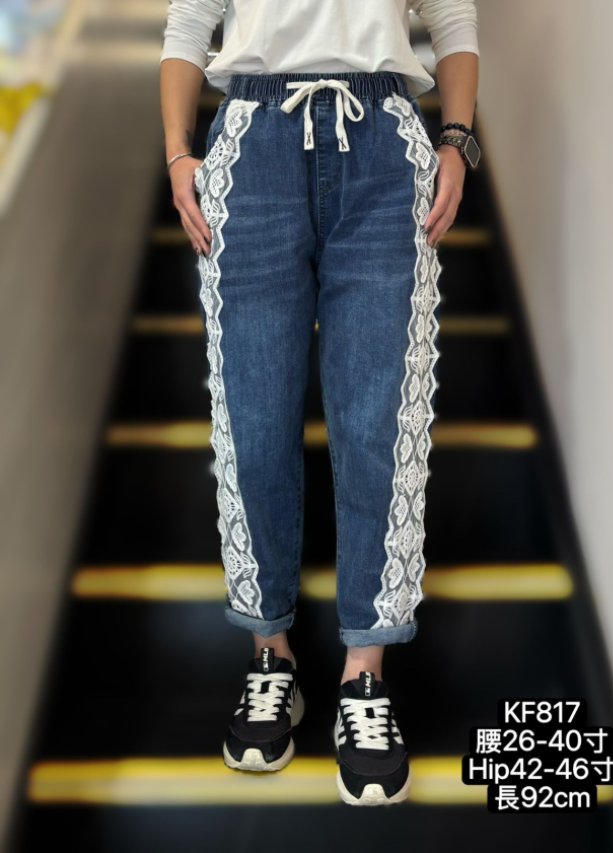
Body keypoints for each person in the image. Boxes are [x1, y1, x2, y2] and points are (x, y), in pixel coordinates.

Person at [159, 0, 479, 807]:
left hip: (383, 151)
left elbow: (453, 18)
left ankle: (364, 673)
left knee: (376, 422)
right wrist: (177, 155)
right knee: (256, 417)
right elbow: (188, 25)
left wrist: (458, 139)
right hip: (254, 148)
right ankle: (272, 655)